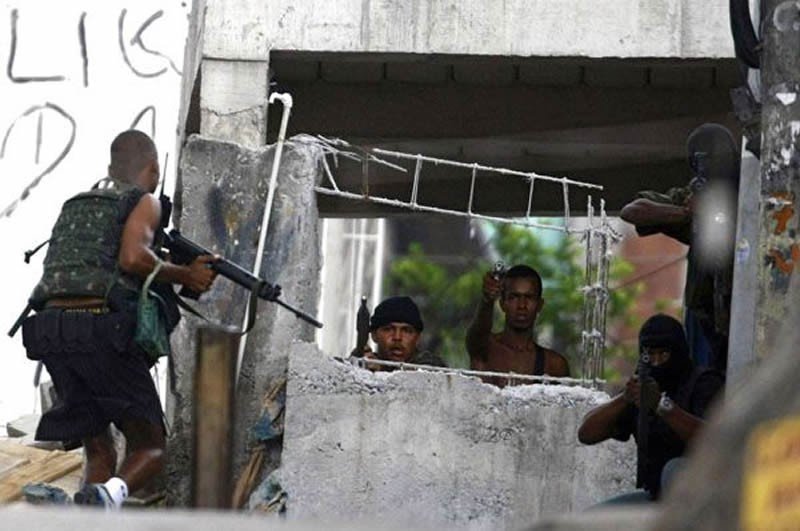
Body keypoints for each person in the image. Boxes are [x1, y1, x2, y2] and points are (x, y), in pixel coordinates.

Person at [19, 130, 218, 509]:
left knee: (100, 450)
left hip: (49, 331)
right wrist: (186, 274)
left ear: (111, 168)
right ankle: (108, 496)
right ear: (154, 169)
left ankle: (90, 515)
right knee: (151, 447)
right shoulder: (144, 201)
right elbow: (132, 257)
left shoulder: (77, 204)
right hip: (99, 329)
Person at [620, 124, 739, 373]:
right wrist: (687, 213)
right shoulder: (693, 196)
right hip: (705, 317)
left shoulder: (747, 196)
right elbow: (633, 211)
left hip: (742, 313)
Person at [577, 314, 724, 503]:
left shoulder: (703, 383)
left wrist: (661, 406)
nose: (656, 362)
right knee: (596, 517)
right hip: (655, 498)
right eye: (650, 355)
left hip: (702, 500)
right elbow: (586, 434)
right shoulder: (644, 386)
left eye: (664, 354)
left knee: (675, 468)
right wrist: (626, 397)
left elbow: (715, 440)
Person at [466, 264, 569, 387]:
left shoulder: (553, 365)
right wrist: (487, 300)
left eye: (529, 297)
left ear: (539, 305)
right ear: (502, 304)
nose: (522, 305)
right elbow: (478, 334)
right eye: (514, 297)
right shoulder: (485, 349)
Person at [363, 296, 447, 370]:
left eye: (406, 331)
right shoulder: (365, 362)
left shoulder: (432, 367)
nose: (397, 337)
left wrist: (381, 371)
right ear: (374, 335)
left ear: (417, 338)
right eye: (388, 329)